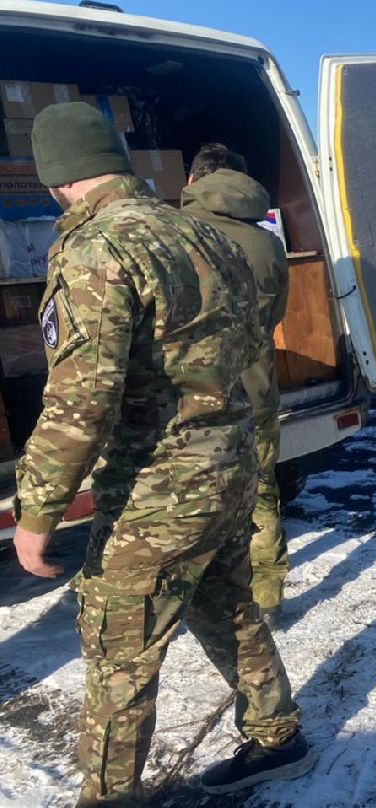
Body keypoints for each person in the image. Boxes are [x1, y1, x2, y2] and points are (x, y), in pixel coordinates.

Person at [13, 102, 313, 803]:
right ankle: (277, 737)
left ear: (55, 177)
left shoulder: (97, 249)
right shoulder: (205, 236)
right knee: (226, 604)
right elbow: (245, 344)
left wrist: (37, 512)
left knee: (119, 650)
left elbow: (80, 403)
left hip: (160, 488)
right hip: (231, 460)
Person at [181, 143, 291, 620]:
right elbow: (277, 316)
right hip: (257, 389)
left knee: (193, 503)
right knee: (262, 493)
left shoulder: (176, 235)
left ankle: (204, 602)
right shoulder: (268, 241)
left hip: (189, 401)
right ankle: (267, 598)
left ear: (193, 182)